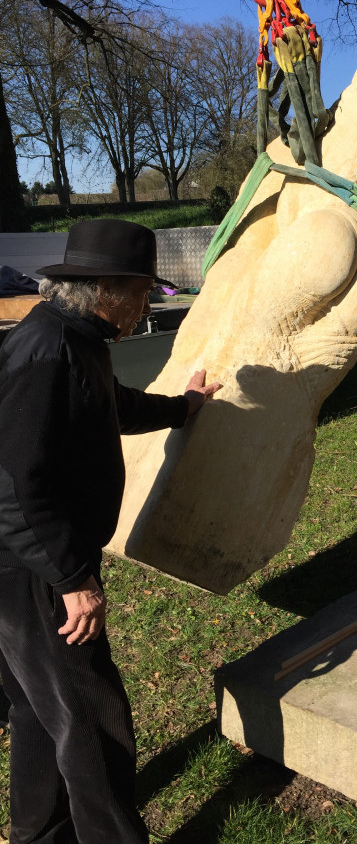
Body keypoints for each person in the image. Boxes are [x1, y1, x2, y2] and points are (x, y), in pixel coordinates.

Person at [0, 219, 221, 842]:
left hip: (26, 562)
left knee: (37, 709)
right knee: (92, 719)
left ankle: (40, 834)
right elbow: (14, 483)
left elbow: (110, 405)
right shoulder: (47, 352)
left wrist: (183, 407)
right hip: (34, 568)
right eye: (144, 291)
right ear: (109, 290)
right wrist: (71, 577)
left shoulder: (76, 337)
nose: (148, 304)